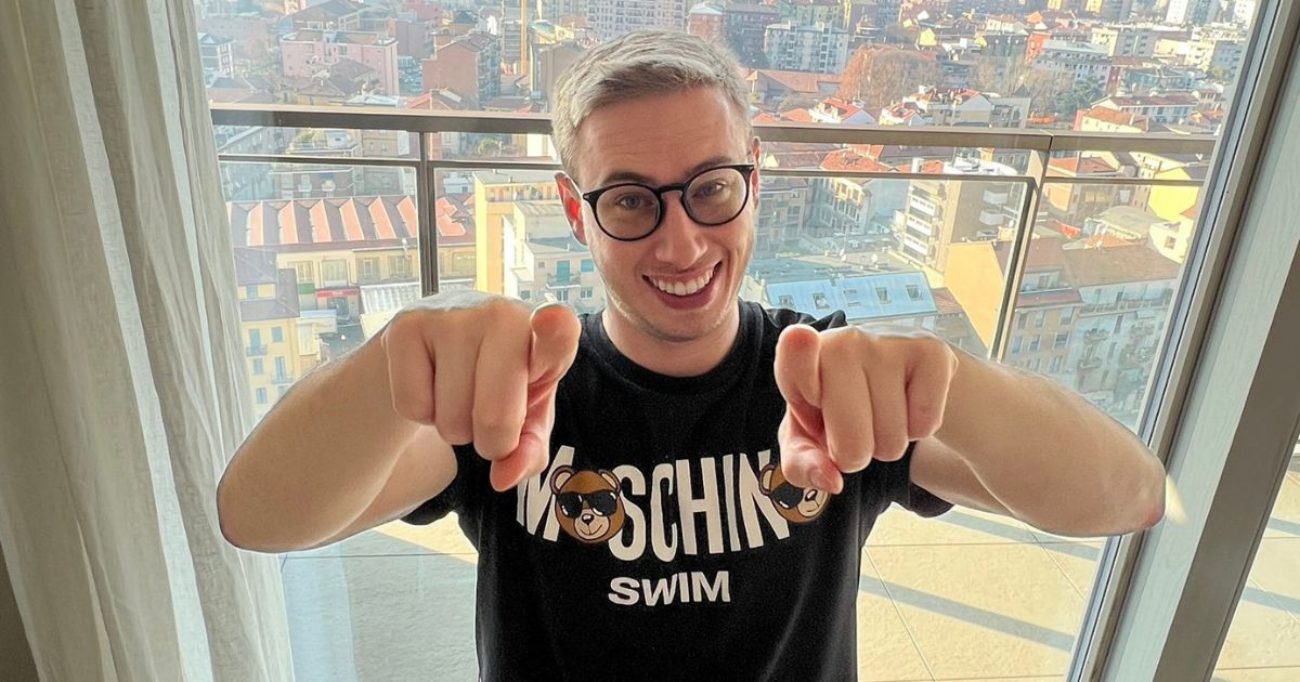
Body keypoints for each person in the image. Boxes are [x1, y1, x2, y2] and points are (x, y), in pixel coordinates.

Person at [217, 30, 1167, 680]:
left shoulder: (831, 386)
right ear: (574, 211)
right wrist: (392, 364)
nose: (680, 244)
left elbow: (1127, 499)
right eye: (631, 200)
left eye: (711, 187)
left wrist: (949, 382)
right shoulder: (517, 397)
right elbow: (258, 518)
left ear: (756, 177)